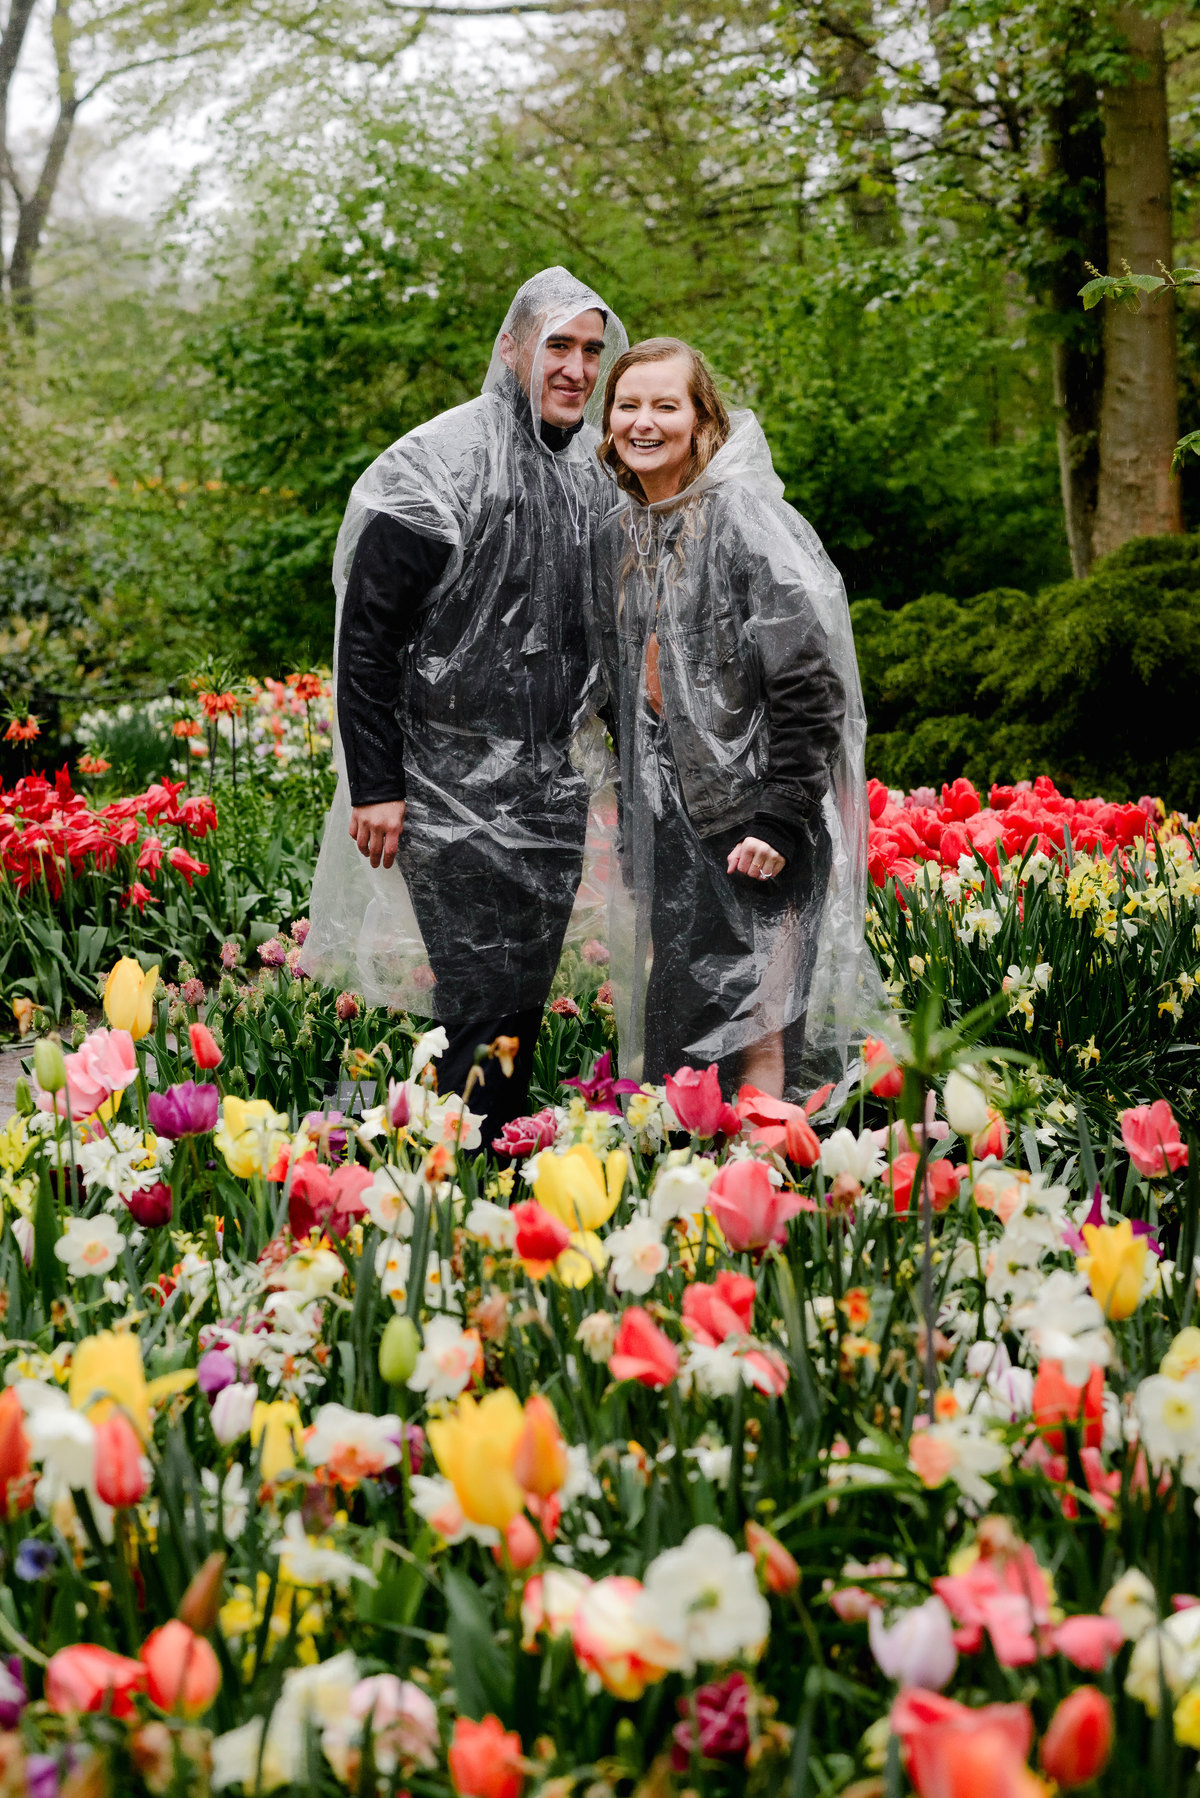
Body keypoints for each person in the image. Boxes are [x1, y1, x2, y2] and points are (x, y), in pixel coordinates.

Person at [302, 268, 627, 1141]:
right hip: (445, 781)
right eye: (559, 345)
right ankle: (462, 1178)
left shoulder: (595, 479)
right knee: (482, 994)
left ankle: (472, 1156)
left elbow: (613, 650)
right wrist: (376, 782)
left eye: (592, 350)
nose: (578, 367)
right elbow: (366, 636)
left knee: (516, 996)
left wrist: (627, 779)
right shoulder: (435, 464)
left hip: (547, 788)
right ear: (513, 348)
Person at [589, 337, 870, 1098]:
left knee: (761, 1053)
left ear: (701, 418)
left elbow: (810, 679)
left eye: (665, 405)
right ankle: (698, 1208)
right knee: (685, 1055)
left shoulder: (746, 521)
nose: (644, 422)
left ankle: (767, 1205)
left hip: (755, 836)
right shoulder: (620, 535)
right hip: (672, 835)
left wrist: (780, 819)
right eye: (628, 405)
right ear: (608, 420)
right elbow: (625, 698)